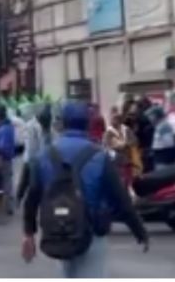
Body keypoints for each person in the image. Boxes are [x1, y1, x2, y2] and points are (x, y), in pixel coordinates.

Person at [21, 102, 149, 278]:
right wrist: (139, 231)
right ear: (88, 124)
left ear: (61, 124)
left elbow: (32, 197)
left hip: (57, 231)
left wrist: (29, 233)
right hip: (92, 232)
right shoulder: (99, 157)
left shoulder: (44, 156)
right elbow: (121, 200)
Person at [17, 104, 52, 203]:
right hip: (32, 159)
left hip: (34, 158)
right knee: (31, 183)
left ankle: (19, 200)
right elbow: (32, 146)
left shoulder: (42, 125)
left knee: (25, 182)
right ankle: (21, 201)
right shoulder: (32, 126)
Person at [103, 110, 135, 189]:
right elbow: (106, 145)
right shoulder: (108, 132)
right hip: (116, 160)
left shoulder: (126, 129)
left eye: (116, 119)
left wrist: (126, 144)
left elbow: (134, 140)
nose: (114, 121)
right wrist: (117, 146)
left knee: (127, 180)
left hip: (127, 158)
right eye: (113, 119)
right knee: (118, 181)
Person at [148, 105, 175, 170]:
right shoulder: (160, 125)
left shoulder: (163, 126)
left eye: (151, 116)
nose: (150, 119)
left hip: (163, 155)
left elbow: (169, 142)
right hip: (161, 154)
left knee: (162, 174)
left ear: (156, 116)